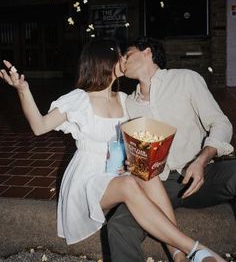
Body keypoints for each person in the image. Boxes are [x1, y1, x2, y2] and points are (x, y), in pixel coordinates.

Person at [0, 39, 225, 262]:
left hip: (117, 174)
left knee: (147, 173)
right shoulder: (79, 99)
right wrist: (23, 89)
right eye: (120, 55)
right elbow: (39, 127)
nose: (124, 59)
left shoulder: (126, 101)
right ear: (104, 60)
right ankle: (196, 248)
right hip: (88, 180)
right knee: (130, 183)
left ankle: (178, 255)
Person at [107, 36, 235, 262]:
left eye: (127, 54)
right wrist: (129, 162)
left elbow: (221, 124)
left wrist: (202, 160)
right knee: (118, 225)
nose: (122, 60)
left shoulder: (186, 79)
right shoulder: (129, 103)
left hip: (201, 174)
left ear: (147, 52)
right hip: (157, 186)